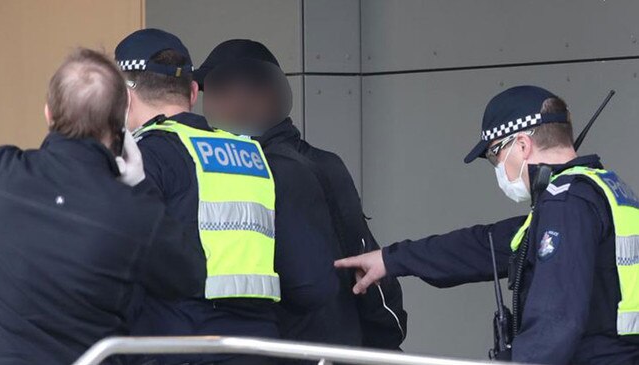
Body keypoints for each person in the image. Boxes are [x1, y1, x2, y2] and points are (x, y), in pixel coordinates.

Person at [335, 85, 639, 364]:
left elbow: (555, 319)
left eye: (495, 154)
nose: (496, 167)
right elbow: (484, 246)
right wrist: (391, 259)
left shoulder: (565, 204)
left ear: (522, 144)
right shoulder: (601, 190)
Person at [116, 29, 338, 365]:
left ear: (123, 97)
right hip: (256, 351)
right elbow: (313, 285)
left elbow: (109, 272)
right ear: (192, 92)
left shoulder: (139, 159)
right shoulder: (253, 155)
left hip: (176, 351)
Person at [0, 48, 204, 365]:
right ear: (120, 123)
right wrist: (142, 185)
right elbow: (191, 276)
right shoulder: (135, 213)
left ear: (49, 113)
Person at [196, 39, 407, 355]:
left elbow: (314, 282)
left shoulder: (257, 174)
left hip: (295, 350)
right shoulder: (326, 162)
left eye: (220, 93)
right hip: (351, 347)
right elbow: (368, 265)